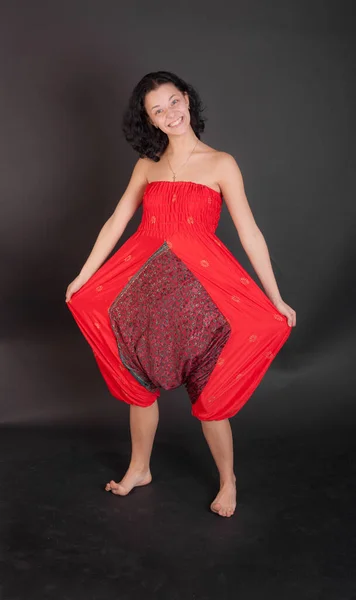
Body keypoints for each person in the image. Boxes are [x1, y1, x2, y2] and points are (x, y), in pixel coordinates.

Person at [65, 70, 296, 518]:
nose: (169, 113)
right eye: (157, 110)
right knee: (139, 388)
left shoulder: (221, 163)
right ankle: (139, 468)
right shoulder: (146, 166)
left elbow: (250, 234)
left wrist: (276, 296)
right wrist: (83, 275)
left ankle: (228, 480)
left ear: (186, 99)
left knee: (210, 396)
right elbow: (117, 222)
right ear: (150, 121)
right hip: (146, 293)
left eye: (173, 102)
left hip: (202, 299)